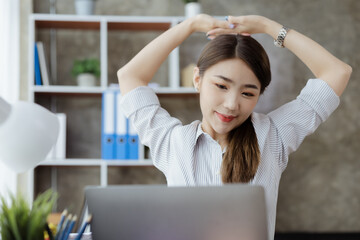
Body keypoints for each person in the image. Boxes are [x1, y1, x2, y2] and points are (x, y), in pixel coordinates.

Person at [117, 14, 352, 240]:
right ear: (197, 79)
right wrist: (188, 26)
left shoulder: (273, 135)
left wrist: (268, 26)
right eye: (221, 86)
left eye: (248, 93)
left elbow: (337, 72)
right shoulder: (171, 141)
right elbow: (130, 76)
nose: (231, 105)